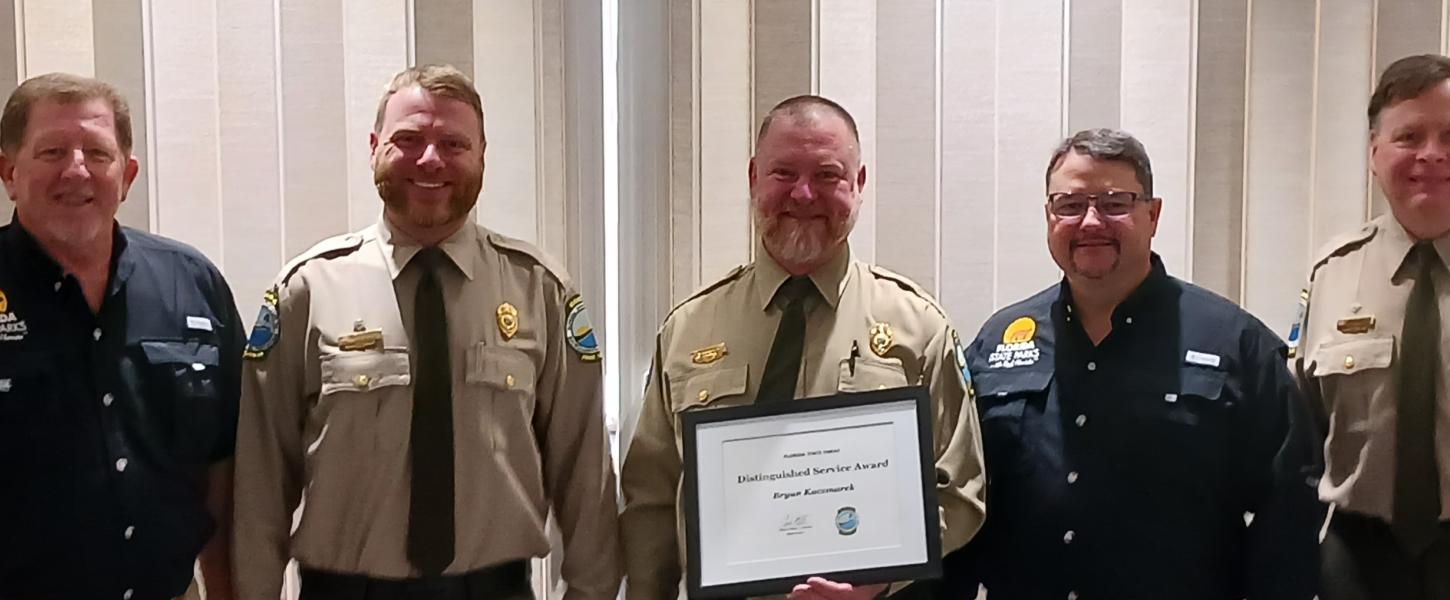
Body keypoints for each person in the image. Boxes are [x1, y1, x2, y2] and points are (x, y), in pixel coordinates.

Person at [231, 64, 621, 600]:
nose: (431, 159)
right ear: (374, 148)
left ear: (483, 153)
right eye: (408, 140)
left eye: (453, 143)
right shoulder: (308, 290)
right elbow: (258, 484)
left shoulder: (541, 291)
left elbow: (586, 478)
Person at [619, 95, 986, 600]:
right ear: (753, 178)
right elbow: (652, 501)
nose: (804, 193)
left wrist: (879, 578)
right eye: (784, 173)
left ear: (859, 185)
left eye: (829, 175)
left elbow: (961, 492)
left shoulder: (918, 328)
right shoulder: (689, 329)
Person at [941, 128, 1324, 599]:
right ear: (1048, 216)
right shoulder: (998, 342)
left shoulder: (1236, 345)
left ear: (1153, 215)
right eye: (1070, 205)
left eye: (1114, 203)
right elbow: (962, 497)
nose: (1090, 222)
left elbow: (1289, 509)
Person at [0, 73, 241, 600]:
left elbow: (224, 465)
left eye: (97, 153)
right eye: (52, 151)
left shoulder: (192, 283)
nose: (77, 169)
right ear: (8, 173)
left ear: (127, 175)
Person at [1294, 53, 1450, 600]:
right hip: (1359, 559)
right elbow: (1306, 425)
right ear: (1374, 153)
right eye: (1410, 136)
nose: (1432, 153)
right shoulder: (1332, 273)